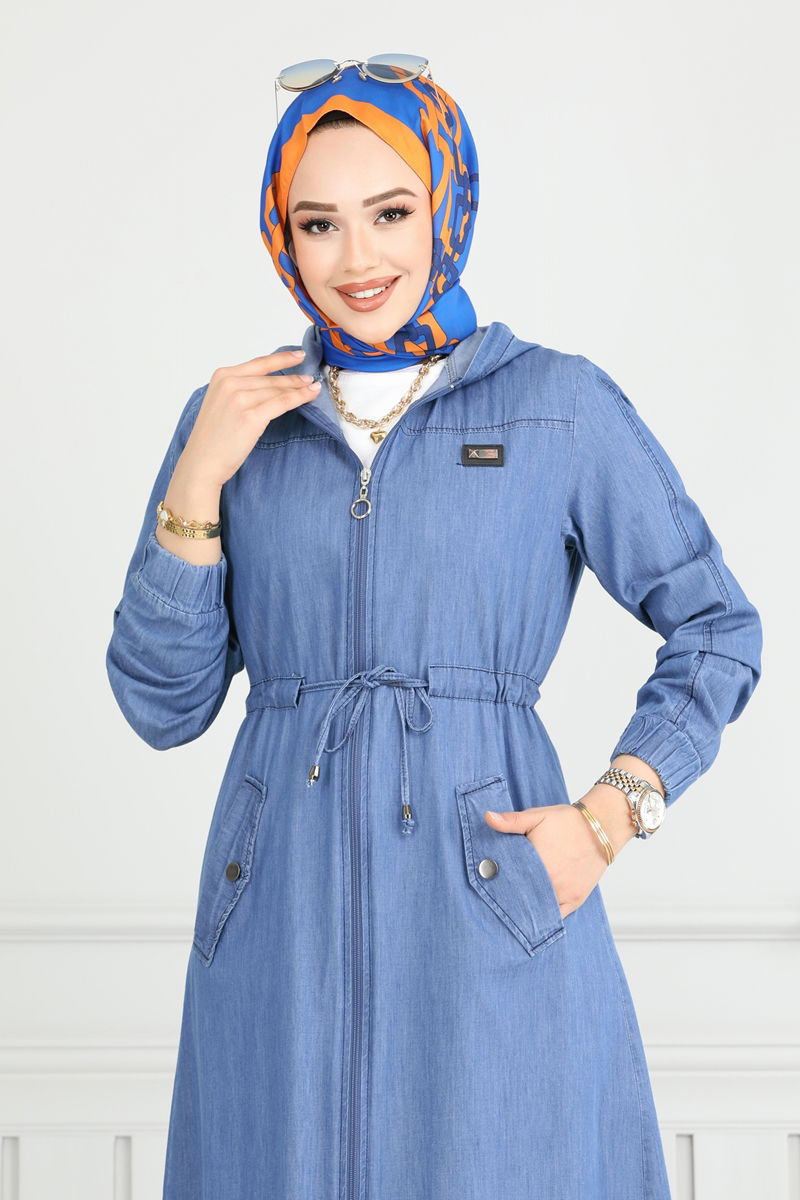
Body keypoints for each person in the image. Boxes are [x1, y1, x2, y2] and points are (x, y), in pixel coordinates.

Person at [106, 56, 763, 1200]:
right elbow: (162, 704)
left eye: (390, 213)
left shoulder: (554, 405)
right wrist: (199, 478)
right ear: (282, 235)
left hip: (494, 906)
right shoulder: (236, 421)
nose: (355, 260)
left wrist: (610, 816)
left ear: (446, 208)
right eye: (317, 224)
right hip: (276, 929)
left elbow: (715, 625)